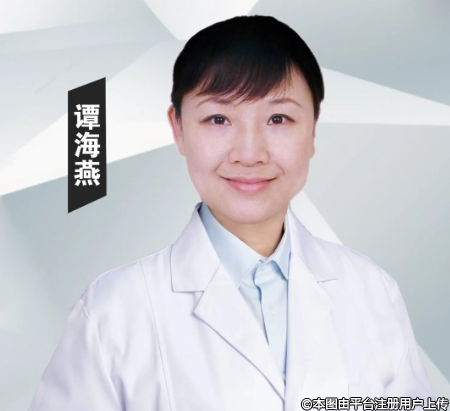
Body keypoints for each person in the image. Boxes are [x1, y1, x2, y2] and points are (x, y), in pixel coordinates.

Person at [28, 15, 434, 411]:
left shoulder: (372, 292)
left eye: (278, 118)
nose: (250, 154)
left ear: (313, 129)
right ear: (178, 129)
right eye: (218, 119)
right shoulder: (113, 312)